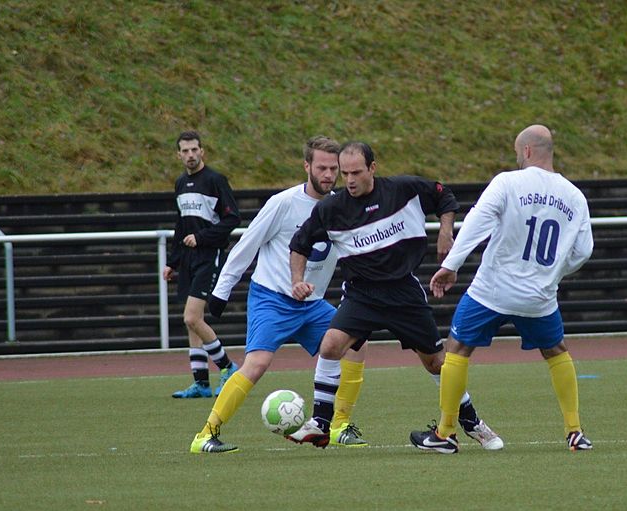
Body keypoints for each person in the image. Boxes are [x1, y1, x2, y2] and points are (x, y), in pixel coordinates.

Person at [288, 141, 504, 451]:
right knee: (331, 344)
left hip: (403, 293)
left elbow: (444, 196)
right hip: (361, 295)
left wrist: (445, 230)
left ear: (372, 169)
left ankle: (471, 422)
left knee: (436, 363)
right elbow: (299, 244)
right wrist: (297, 280)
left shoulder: (404, 189)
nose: (349, 180)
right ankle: (321, 423)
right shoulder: (330, 209)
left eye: (356, 172)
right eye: (344, 173)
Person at [409, 124, 594, 454]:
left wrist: (451, 265)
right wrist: (552, 275)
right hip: (539, 296)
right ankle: (575, 431)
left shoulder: (508, 182)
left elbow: (478, 222)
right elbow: (583, 251)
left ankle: (446, 433)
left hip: (492, 290)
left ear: (525, 152)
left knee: (457, 349)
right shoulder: (575, 197)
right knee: (556, 352)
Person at [189, 136, 366, 453]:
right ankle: (206, 434)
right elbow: (247, 245)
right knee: (256, 364)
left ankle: (338, 426)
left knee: (354, 347)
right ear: (307, 166)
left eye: (333, 169)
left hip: (312, 306)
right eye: (322, 167)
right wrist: (220, 293)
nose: (328, 175)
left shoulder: (341, 207)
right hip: (272, 299)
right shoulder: (283, 203)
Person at [164, 131, 242, 399]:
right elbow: (180, 223)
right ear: (179, 155)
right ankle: (201, 383)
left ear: (202, 151)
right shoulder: (179, 183)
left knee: (192, 317)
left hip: (210, 256)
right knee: (191, 323)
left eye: (194, 149)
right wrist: (172, 261)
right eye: (185, 151)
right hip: (188, 260)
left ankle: (228, 367)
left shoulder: (215, 180)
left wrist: (201, 237)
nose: (190, 155)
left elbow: (232, 219)